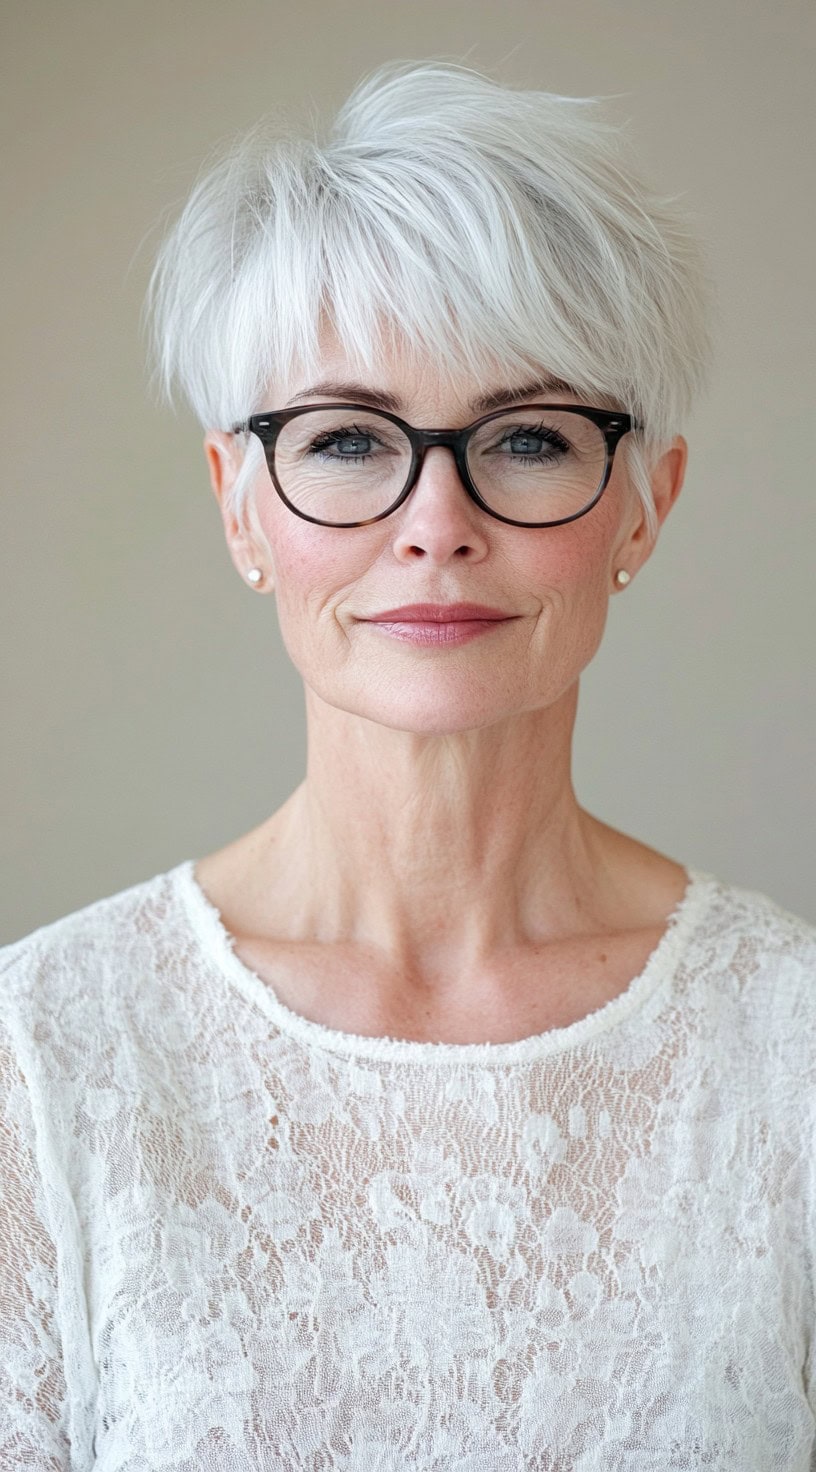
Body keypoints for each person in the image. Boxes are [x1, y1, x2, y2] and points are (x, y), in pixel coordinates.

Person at [1, 59, 814, 1470]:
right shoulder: (43, 1057)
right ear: (241, 506)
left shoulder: (792, 1054)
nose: (434, 521)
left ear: (645, 505)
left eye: (529, 438)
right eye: (348, 439)